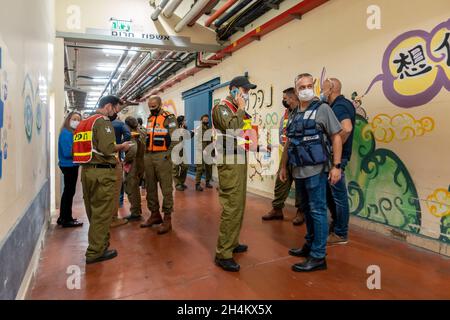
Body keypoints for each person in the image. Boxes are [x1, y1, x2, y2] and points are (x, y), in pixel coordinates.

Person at [280, 73, 343, 272]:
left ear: (313, 87)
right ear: (296, 90)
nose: (306, 89)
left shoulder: (322, 109)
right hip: (298, 170)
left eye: (309, 85)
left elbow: (336, 138)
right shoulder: (295, 112)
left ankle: (318, 256)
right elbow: (289, 141)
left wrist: (336, 166)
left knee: (317, 210)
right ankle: (309, 244)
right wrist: (283, 166)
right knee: (306, 210)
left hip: (316, 170)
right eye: (301, 87)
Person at [73, 95, 132, 264]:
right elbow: (107, 148)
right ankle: (95, 252)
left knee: (93, 211)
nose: (115, 114)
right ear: (108, 106)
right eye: (116, 110)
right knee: (102, 213)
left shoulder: (84, 123)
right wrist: (122, 146)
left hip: (87, 172)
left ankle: (101, 244)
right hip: (102, 173)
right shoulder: (102, 121)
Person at [212, 76, 257, 272]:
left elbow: (243, 131)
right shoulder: (221, 107)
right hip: (229, 161)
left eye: (248, 91)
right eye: (243, 90)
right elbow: (231, 128)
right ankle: (223, 253)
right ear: (233, 90)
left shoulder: (235, 109)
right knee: (231, 205)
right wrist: (240, 108)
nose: (246, 93)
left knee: (239, 203)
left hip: (239, 157)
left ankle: (233, 242)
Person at [262, 88, 305, 225]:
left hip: (301, 154)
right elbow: (284, 132)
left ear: (292, 98)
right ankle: (277, 209)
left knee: (300, 184)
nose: (284, 101)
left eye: (285, 98)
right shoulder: (288, 113)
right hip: (287, 151)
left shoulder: (303, 112)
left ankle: (301, 212)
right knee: (281, 180)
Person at [321, 78, 355, 245]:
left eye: (323, 89)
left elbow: (347, 128)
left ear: (331, 88)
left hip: (337, 159)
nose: (321, 92)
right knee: (332, 195)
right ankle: (336, 227)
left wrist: (334, 149)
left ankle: (341, 233)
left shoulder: (340, 106)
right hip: (335, 158)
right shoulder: (337, 105)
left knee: (339, 196)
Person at [140, 95, 177, 234]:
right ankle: (155, 214)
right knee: (150, 187)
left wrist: (168, 154)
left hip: (162, 156)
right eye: (149, 106)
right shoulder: (149, 119)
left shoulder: (169, 117)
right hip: (149, 155)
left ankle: (167, 218)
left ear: (160, 104)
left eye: (154, 106)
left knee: (166, 188)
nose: (151, 108)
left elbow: (176, 137)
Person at [57, 111, 83, 228]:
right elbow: (67, 152)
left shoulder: (71, 133)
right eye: (74, 119)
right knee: (69, 192)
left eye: (78, 119)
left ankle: (63, 217)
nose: (76, 121)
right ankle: (66, 219)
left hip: (71, 165)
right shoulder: (66, 133)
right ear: (69, 119)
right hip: (68, 165)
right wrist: (81, 151)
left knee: (68, 192)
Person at [123, 116, 147, 221]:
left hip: (133, 163)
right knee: (136, 186)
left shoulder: (132, 134)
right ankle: (137, 211)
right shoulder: (143, 130)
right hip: (142, 161)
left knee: (131, 187)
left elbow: (132, 150)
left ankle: (135, 212)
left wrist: (125, 160)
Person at [111, 117, 131, 227]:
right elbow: (127, 134)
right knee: (118, 184)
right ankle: (119, 202)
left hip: (103, 157)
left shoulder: (98, 123)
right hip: (116, 153)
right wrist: (122, 145)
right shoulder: (120, 124)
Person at [194, 114, 213, 191]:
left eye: (207, 119)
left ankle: (207, 182)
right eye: (204, 119)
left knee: (209, 167)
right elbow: (198, 141)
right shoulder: (199, 128)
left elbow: (210, 140)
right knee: (200, 168)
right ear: (201, 120)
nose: (206, 120)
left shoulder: (209, 128)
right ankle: (197, 184)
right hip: (200, 151)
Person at [172, 115, 191, 191]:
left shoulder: (184, 129)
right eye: (184, 120)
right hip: (175, 150)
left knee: (185, 166)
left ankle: (181, 182)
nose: (186, 121)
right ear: (181, 121)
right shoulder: (174, 129)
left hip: (182, 150)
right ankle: (177, 184)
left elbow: (187, 137)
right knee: (175, 168)